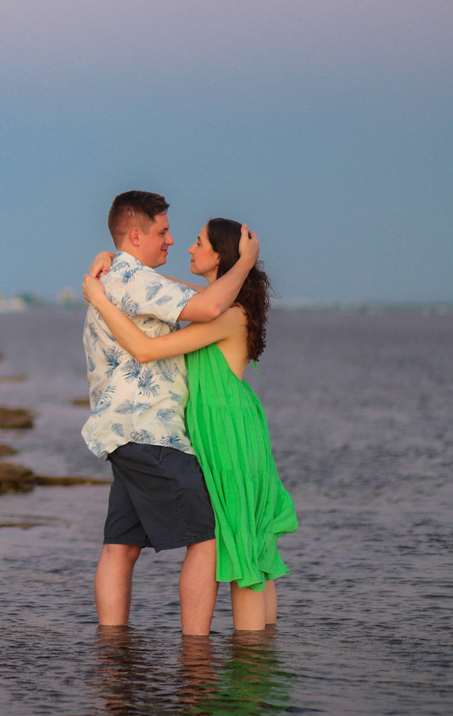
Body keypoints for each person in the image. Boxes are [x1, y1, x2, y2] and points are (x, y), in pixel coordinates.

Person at [83, 216, 297, 631]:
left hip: (230, 432)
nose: (186, 247)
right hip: (212, 432)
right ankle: (254, 659)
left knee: (240, 543)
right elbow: (184, 292)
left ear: (220, 256)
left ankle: (249, 667)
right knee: (242, 540)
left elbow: (146, 348)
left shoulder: (227, 314)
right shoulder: (219, 304)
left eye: (198, 243)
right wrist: (111, 256)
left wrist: (101, 299)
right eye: (169, 234)